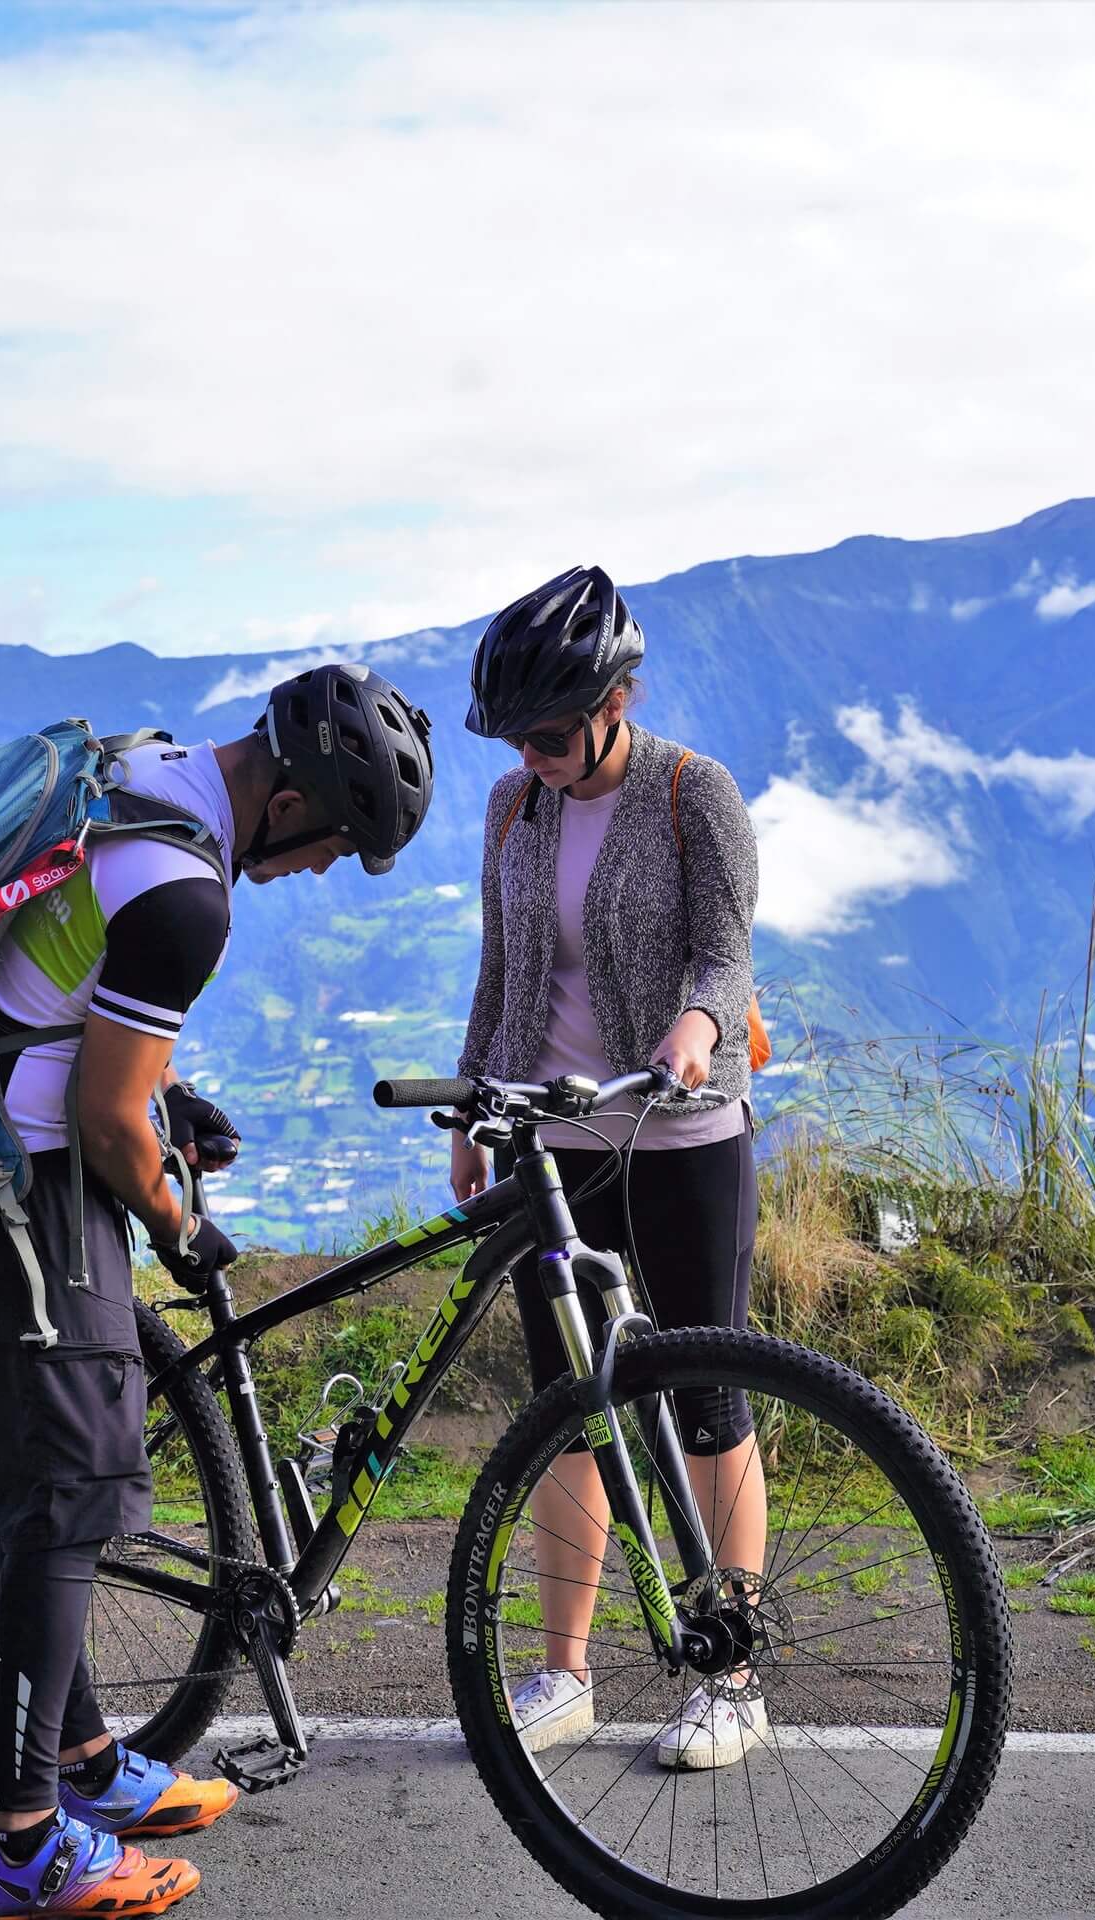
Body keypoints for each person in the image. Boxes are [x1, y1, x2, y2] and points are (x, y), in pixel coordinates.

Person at [0, 664, 433, 1919]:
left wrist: (163, 1107)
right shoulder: (189, 894)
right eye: (338, 843)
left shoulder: (151, 775)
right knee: (76, 1492)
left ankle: (83, 1763)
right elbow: (100, 1116)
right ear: (296, 796)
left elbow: (67, 997)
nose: (321, 872)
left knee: (51, 1491)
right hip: (22, 1189)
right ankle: (25, 1841)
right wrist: (179, 1219)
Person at [450, 564, 767, 1770]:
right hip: (554, 1141)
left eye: (546, 732)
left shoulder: (695, 794)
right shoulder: (510, 809)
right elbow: (501, 967)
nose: (529, 754)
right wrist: (474, 1106)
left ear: (617, 698)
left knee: (705, 1402)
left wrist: (695, 1027)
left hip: (679, 1134)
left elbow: (724, 957)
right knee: (566, 1412)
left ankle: (729, 1674)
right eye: (512, 736)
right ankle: (564, 1673)